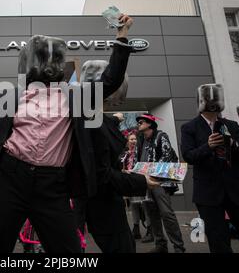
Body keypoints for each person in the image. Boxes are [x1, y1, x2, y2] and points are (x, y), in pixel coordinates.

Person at [0, 14, 135, 253]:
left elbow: (111, 80)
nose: (48, 64)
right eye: (41, 58)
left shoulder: (76, 97)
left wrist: (121, 35)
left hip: (52, 187)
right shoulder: (5, 97)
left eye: (54, 59)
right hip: (8, 181)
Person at [71, 61, 157, 253]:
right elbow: (102, 175)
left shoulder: (94, 118)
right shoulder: (91, 121)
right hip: (101, 204)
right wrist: (141, 181)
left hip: (99, 204)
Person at [181, 84, 239, 253]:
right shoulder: (189, 127)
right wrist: (208, 146)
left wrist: (232, 144)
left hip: (238, 191)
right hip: (208, 194)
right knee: (218, 242)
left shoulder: (232, 125)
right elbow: (188, 156)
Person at [136, 114, 185, 253]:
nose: (139, 124)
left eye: (141, 122)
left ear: (150, 124)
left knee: (167, 214)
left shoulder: (161, 136)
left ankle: (178, 247)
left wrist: (150, 173)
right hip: (145, 182)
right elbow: (138, 159)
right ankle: (160, 245)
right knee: (152, 215)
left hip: (160, 182)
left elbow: (166, 155)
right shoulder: (141, 140)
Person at [120, 128, 149, 240]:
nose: (133, 141)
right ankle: (136, 229)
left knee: (145, 205)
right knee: (134, 206)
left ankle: (150, 229)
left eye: (135, 139)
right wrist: (124, 171)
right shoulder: (125, 153)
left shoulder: (141, 151)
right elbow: (121, 166)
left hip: (140, 179)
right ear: (127, 141)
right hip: (130, 181)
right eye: (131, 139)